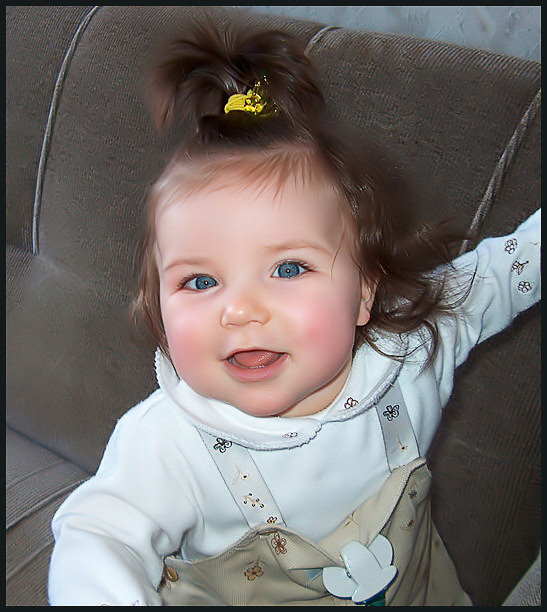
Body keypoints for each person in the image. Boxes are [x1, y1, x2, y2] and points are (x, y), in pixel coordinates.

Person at [47, 17, 541, 606]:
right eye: (200, 281)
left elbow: (505, 271)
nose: (239, 310)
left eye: (287, 269)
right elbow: (98, 536)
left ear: (364, 292)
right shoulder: (169, 442)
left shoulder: (416, 348)